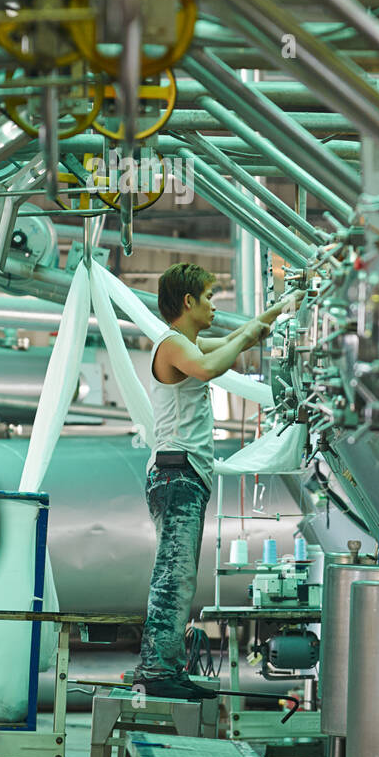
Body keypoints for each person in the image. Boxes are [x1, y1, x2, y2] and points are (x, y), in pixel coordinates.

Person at [135, 262, 283, 701]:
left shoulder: (190, 343)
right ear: (188, 302)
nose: (214, 306)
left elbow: (240, 341)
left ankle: (164, 666)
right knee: (173, 576)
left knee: (178, 575)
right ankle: (157, 671)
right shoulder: (174, 345)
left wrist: (279, 309)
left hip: (186, 476)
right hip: (175, 473)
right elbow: (208, 368)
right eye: (209, 297)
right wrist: (244, 336)